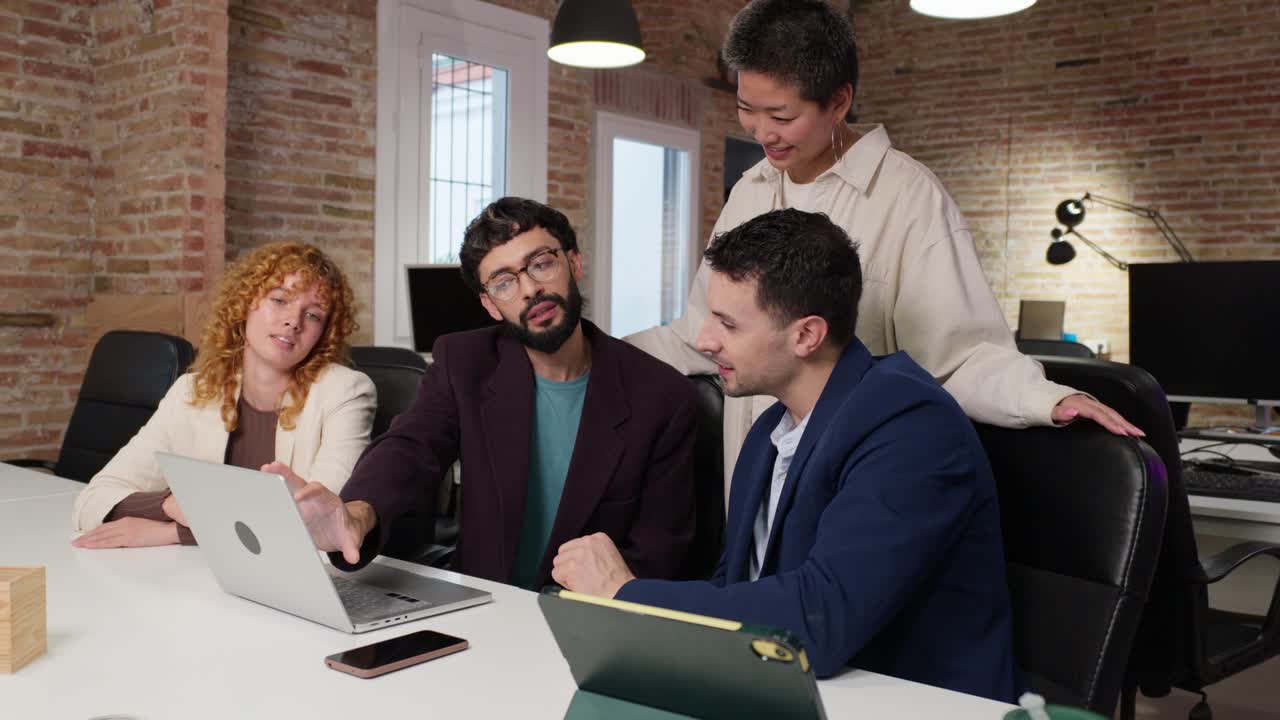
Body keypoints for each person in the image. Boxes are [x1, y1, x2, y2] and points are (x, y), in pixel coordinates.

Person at [627, 0, 1141, 490]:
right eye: (746, 109)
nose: (761, 133)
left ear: (839, 102)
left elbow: (961, 357)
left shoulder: (909, 198)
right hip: (755, 477)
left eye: (781, 118)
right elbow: (701, 333)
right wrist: (590, 352)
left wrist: (1048, 399)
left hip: (857, 481)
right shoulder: (750, 191)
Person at [554, 209, 1020, 703]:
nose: (704, 339)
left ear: (806, 335)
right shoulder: (769, 432)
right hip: (790, 693)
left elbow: (821, 619)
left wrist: (624, 596)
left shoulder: (910, 424)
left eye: (727, 324)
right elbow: (735, 583)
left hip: (919, 704)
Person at [292, 197, 699, 590]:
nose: (529, 290)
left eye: (541, 264)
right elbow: (411, 447)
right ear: (489, 304)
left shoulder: (662, 396)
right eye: (504, 282)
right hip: (485, 612)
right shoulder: (464, 362)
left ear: (573, 263)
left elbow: (659, 557)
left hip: (592, 625)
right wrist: (358, 513)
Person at [71, 242, 376, 548]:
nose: (293, 321)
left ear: (324, 333)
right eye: (280, 300)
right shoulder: (192, 392)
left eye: (312, 315)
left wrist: (173, 532)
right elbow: (93, 500)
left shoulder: (345, 393)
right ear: (244, 303)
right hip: (194, 577)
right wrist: (167, 504)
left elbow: (321, 524)